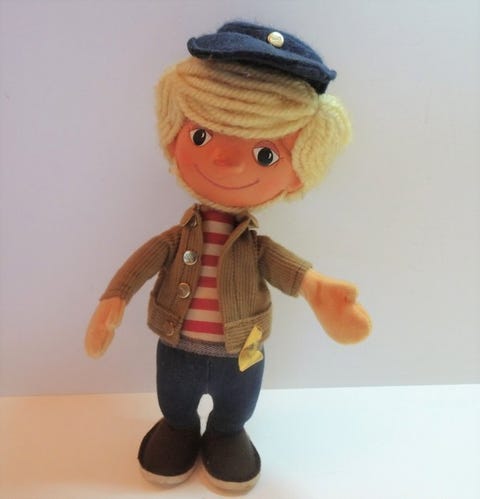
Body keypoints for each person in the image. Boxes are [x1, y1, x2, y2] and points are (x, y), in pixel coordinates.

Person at [85, 21, 371, 492]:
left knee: (237, 406)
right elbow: (140, 265)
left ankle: (225, 434)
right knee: (174, 400)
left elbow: (285, 268)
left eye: (265, 154)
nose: (226, 161)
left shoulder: (255, 247)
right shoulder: (175, 239)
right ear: (174, 135)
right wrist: (113, 300)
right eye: (201, 137)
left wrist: (317, 289)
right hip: (177, 346)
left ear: (298, 173)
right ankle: (178, 428)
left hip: (242, 351)